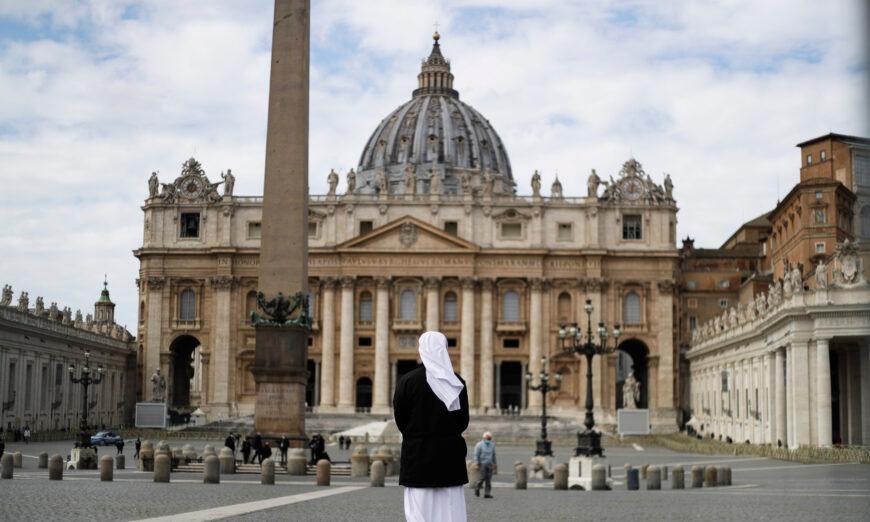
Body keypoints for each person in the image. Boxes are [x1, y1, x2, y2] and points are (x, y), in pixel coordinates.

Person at [394, 331, 469, 522]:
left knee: (419, 512)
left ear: (421, 350)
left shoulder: (407, 381)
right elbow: (463, 421)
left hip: (418, 456)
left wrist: (415, 435)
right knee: (451, 510)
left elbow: (400, 418)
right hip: (450, 457)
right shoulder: (457, 382)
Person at [473, 432, 497, 499]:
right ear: (484, 438)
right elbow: (476, 455)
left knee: (488, 480)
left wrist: (495, 464)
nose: (489, 439)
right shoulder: (479, 445)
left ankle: (487, 493)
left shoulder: (492, 445)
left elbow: (494, 455)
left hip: (490, 464)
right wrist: (477, 463)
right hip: (482, 463)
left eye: (490, 438)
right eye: (488, 438)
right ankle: (477, 487)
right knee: (482, 477)